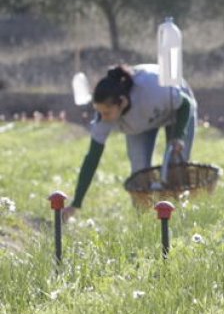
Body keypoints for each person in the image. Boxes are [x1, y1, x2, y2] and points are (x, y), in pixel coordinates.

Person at [63, 64, 197, 220]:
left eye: (107, 112)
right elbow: (92, 159)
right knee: (139, 173)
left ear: (122, 102)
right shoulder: (103, 117)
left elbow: (185, 104)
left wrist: (179, 136)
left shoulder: (153, 91)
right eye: (99, 112)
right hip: (141, 124)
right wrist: (76, 202)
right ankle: (145, 220)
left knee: (176, 167)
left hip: (177, 110)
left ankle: (178, 216)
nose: (103, 117)